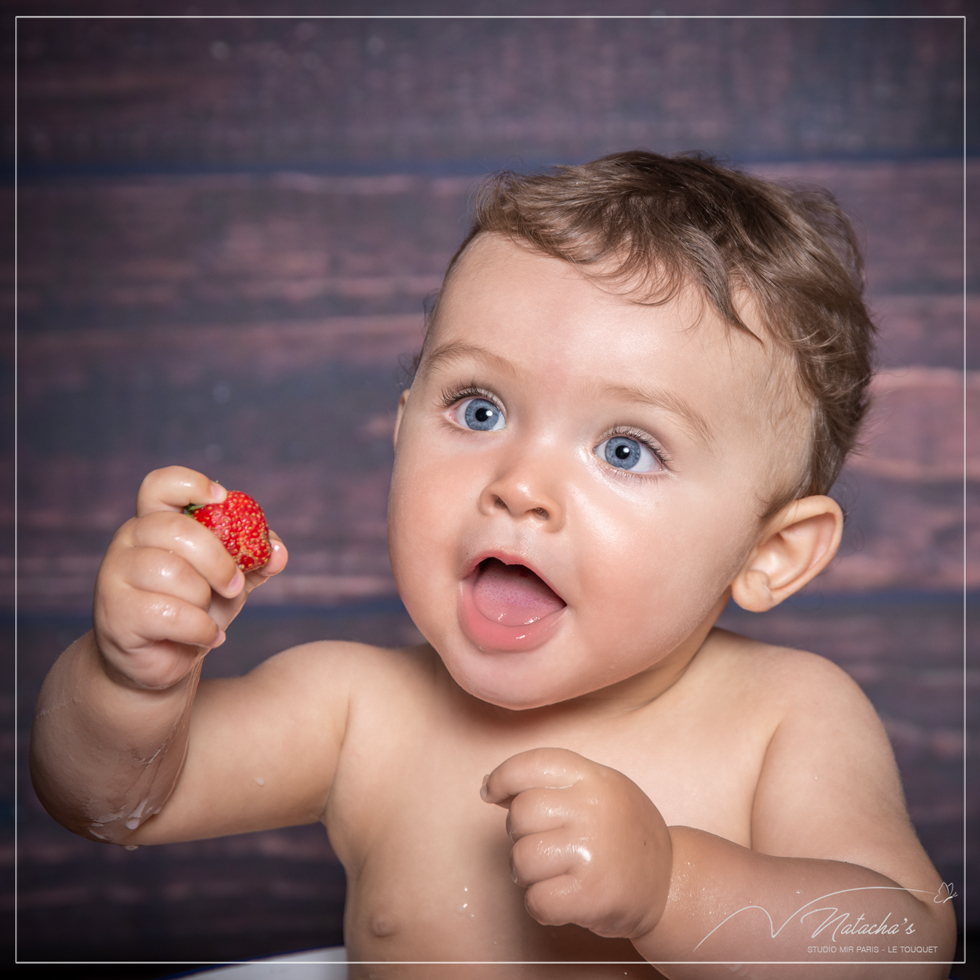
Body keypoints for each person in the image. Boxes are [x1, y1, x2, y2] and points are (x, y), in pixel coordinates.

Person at [30, 151, 956, 978]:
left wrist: (676, 888)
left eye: (626, 449)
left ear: (769, 552)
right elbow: (115, 804)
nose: (519, 485)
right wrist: (129, 683)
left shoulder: (786, 719)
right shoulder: (359, 712)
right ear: (400, 431)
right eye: (479, 410)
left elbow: (904, 947)